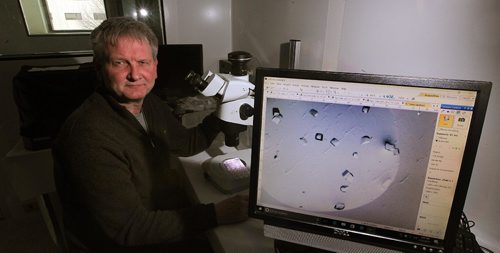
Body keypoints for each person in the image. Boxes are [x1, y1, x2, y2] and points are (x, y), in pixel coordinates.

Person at [52, 16, 248, 252]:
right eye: (120, 63)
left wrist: (222, 116)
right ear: (99, 68)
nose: (135, 74)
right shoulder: (88, 135)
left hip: (154, 214)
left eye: (143, 62)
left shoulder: (150, 104)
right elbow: (130, 229)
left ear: (155, 65)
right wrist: (216, 213)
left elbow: (185, 143)